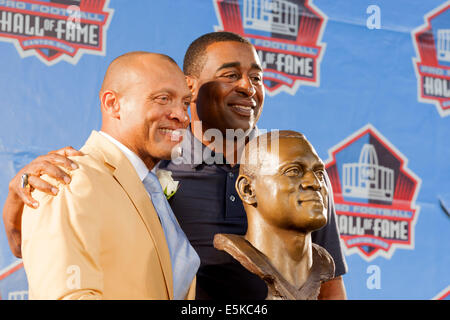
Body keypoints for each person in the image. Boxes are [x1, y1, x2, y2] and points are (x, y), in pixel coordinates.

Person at [3, 32, 347, 299]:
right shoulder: (146, 162)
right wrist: (23, 191)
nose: (247, 86)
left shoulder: (298, 168)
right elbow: (48, 239)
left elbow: (328, 284)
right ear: (192, 88)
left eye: (256, 77)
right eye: (230, 75)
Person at [16, 52, 200, 299]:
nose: (183, 116)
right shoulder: (68, 180)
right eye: (163, 99)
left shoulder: (148, 185)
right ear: (112, 103)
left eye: (185, 103)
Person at [215, 131, 335, 300]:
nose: (315, 183)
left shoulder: (323, 265)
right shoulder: (223, 276)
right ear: (248, 190)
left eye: (319, 173)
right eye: (293, 171)